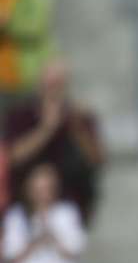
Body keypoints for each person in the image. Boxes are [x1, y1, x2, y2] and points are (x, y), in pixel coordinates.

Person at [4, 61, 103, 225]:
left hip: (69, 206)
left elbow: (97, 159)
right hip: (25, 210)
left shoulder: (79, 117)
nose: (53, 89)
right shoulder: (20, 115)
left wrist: (76, 127)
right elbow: (13, 157)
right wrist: (45, 129)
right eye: (49, 83)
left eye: (58, 84)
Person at [2, 163, 85, 263]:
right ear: (29, 190)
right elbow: (12, 257)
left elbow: (73, 252)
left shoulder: (67, 213)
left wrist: (52, 235)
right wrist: (36, 240)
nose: (43, 194)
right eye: (38, 190)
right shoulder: (17, 216)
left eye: (47, 189)